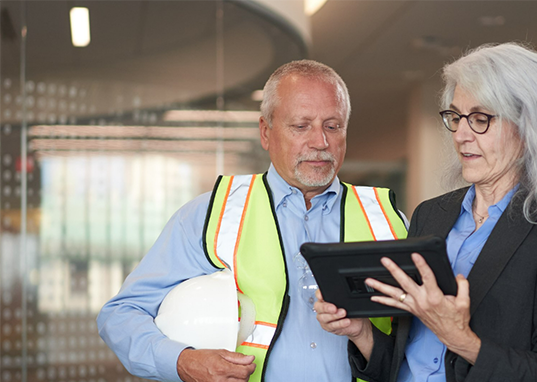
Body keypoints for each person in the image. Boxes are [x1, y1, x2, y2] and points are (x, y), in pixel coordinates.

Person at [97, 59, 408, 382]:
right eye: (301, 126)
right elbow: (121, 315)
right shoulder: (210, 215)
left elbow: (423, 343)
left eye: (333, 126)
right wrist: (182, 362)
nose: (320, 142)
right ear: (265, 132)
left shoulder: (387, 219)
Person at [316, 42, 537, 381]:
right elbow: (406, 360)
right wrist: (359, 331)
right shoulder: (431, 215)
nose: (461, 135)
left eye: (480, 119)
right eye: (455, 117)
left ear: (528, 129)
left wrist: (462, 341)